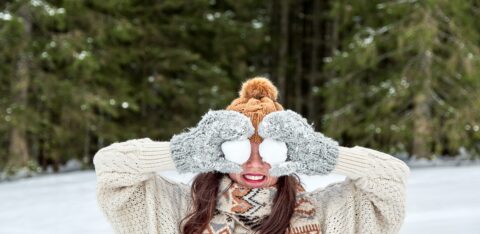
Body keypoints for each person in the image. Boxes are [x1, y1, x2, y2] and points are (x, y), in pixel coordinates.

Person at [93, 77, 410, 234]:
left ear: (289, 153)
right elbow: (111, 168)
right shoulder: (180, 211)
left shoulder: (331, 214)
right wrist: (184, 151)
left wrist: (327, 156)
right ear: (219, 152)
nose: (255, 163)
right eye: (242, 150)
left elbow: (391, 179)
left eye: (268, 150)